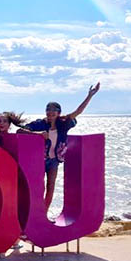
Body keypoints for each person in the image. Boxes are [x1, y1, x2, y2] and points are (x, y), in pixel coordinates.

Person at [21, 82, 101, 214]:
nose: (50, 112)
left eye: (54, 110)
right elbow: (20, 131)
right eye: (48, 109)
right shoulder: (40, 124)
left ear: (58, 112)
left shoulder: (63, 124)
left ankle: (44, 213)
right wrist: (37, 134)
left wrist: (90, 95)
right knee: (37, 187)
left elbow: (77, 112)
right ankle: (35, 212)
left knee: (51, 186)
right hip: (40, 160)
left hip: (54, 160)